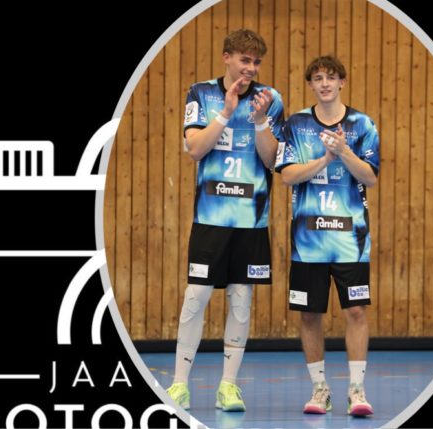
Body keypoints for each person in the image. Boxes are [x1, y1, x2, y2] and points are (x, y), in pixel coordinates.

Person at [166, 28, 285, 412]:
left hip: (251, 220)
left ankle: (228, 388)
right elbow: (195, 149)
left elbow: (272, 161)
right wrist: (227, 112)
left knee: (241, 300)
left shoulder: (270, 99)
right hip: (211, 217)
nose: (250, 68)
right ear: (227, 57)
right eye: (244, 59)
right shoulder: (201, 93)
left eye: (256, 62)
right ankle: (179, 385)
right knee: (196, 295)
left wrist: (261, 121)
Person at [274, 55, 379, 416]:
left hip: (350, 240)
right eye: (317, 78)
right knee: (309, 315)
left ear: (341, 82)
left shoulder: (362, 124)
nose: (324, 84)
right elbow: (287, 176)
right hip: (308, 242)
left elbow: (370, 177)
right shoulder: (296, 125)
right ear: (311, 84)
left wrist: (344, 151)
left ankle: (357, 391)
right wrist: (324, 160)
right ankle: (320, 390)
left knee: (356, 311)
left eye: (331, 78)